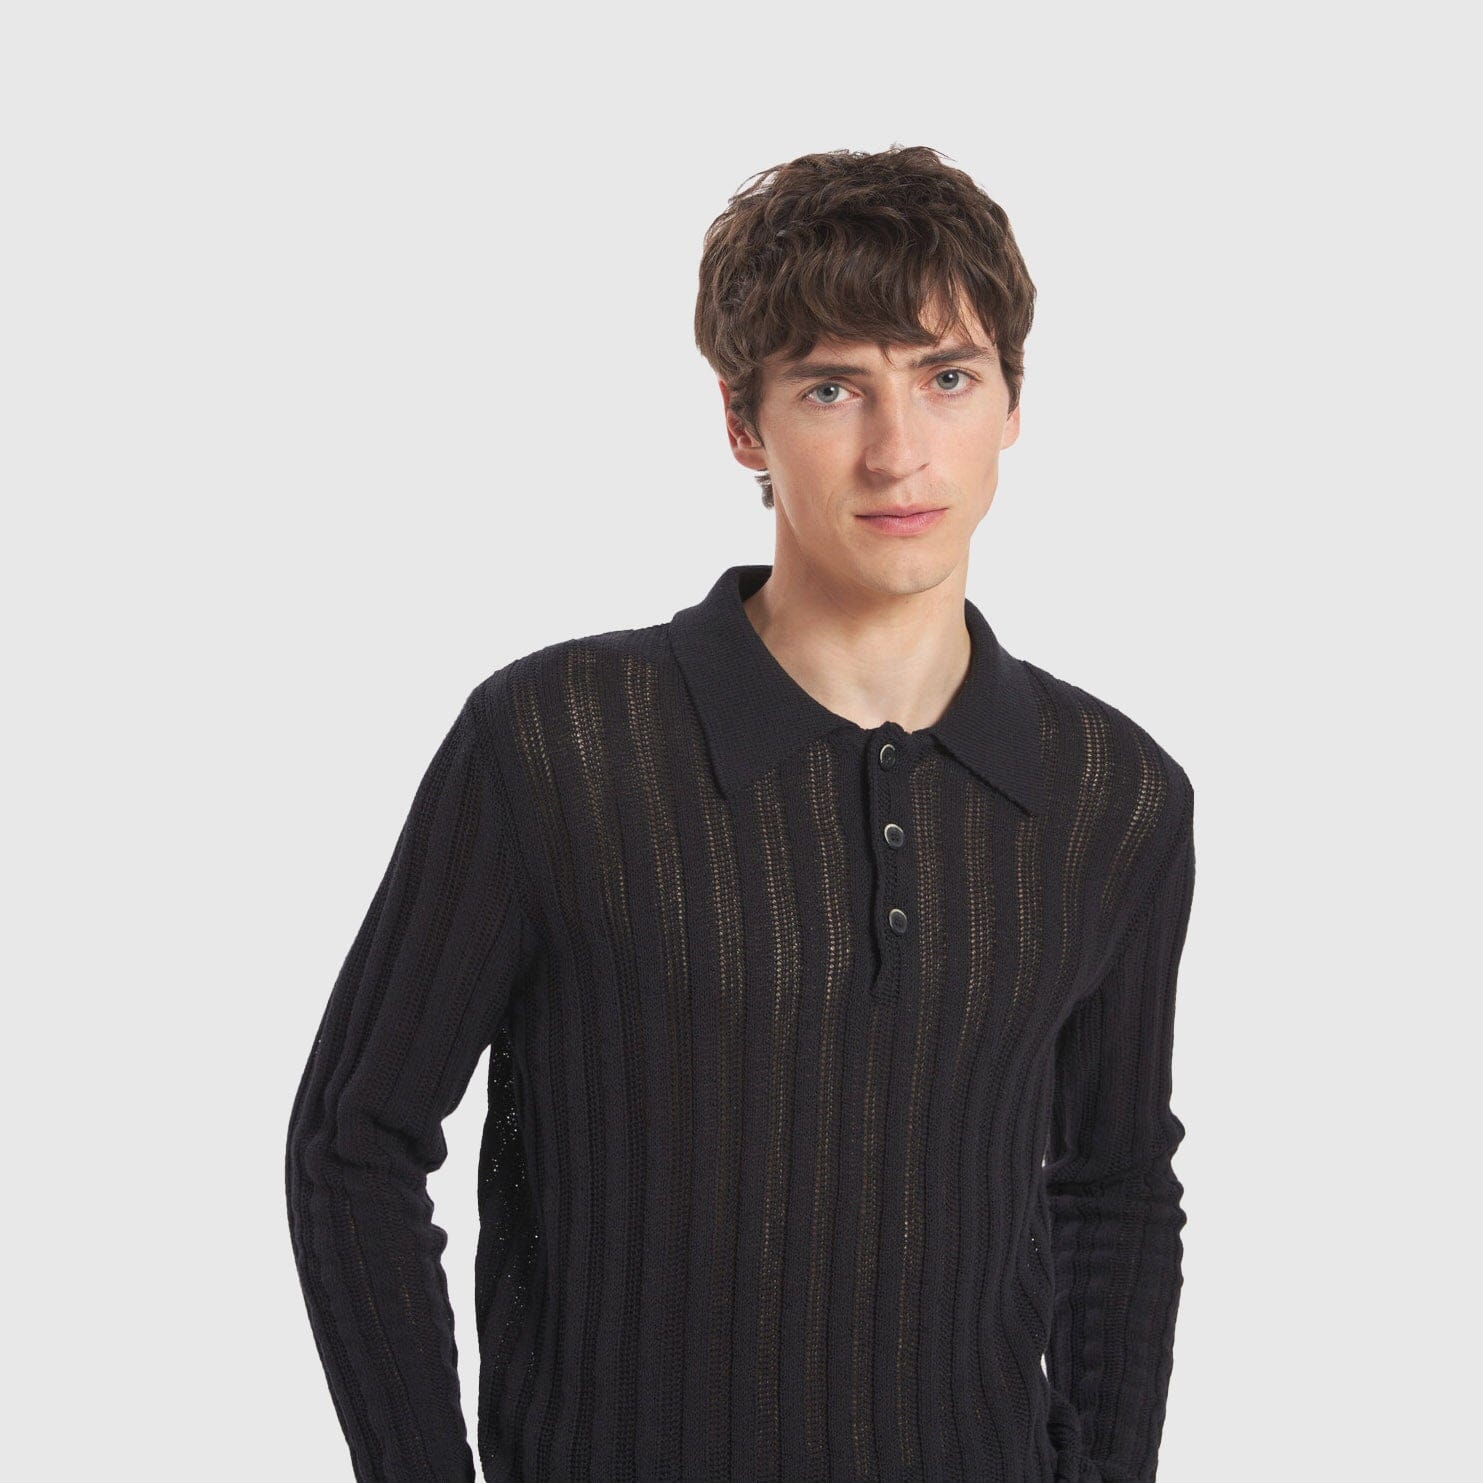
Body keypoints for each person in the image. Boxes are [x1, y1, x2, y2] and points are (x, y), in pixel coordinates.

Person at [285, 144, 1197, 1483]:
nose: (899, 452)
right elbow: (353, 1145)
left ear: (1012, 401)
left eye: (947, 378)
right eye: (833, 387)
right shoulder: (556, 747)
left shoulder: (1114, 796)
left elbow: (1115, 1188)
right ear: (742, 423)